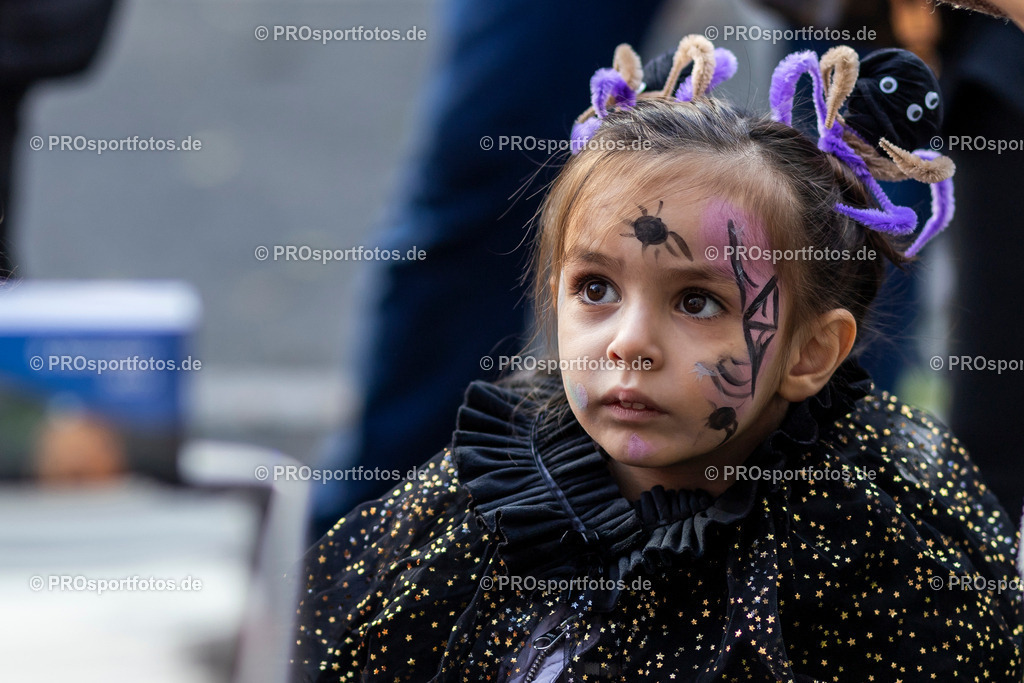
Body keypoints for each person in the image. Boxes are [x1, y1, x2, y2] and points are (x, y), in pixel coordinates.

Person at [291, 37, 1022, 681]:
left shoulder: (871, 574)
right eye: (596, 288)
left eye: (698, 302)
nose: (628, 343)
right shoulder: (475, 509)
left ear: (810, 351)